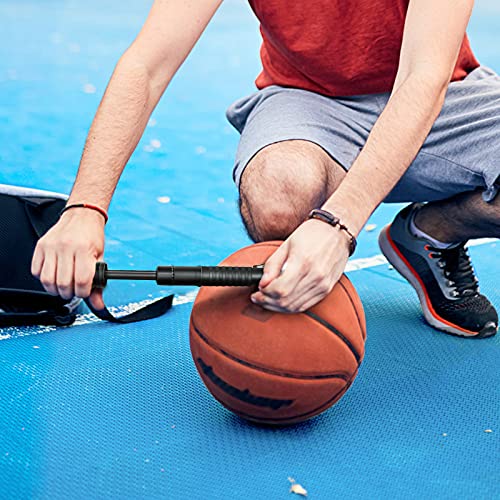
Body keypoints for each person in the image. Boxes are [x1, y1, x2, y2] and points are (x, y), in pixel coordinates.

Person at [32, 0, 499, 338]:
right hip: (311, 99)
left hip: (445, 96)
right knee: (278, 196)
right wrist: (85, 209)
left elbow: (424, 76)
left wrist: (338, 226)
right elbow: (148, 64)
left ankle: (430, 232)